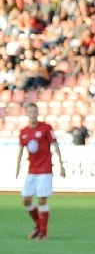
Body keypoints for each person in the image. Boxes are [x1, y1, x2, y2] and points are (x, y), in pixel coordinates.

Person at [16, 102, 65, 240]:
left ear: (38, 113)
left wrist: (61, 165)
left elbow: (55, 146)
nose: (32, 114)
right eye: (30, 112)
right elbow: (21, 150)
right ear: (26, 114)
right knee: (26, 200)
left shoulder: (46, 128)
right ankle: (39, 225)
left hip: (45, 170)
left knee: (42, 200)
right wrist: (17, 167)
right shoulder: (24, 131)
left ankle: (43, 232)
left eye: (34, 111)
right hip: (32, 170)